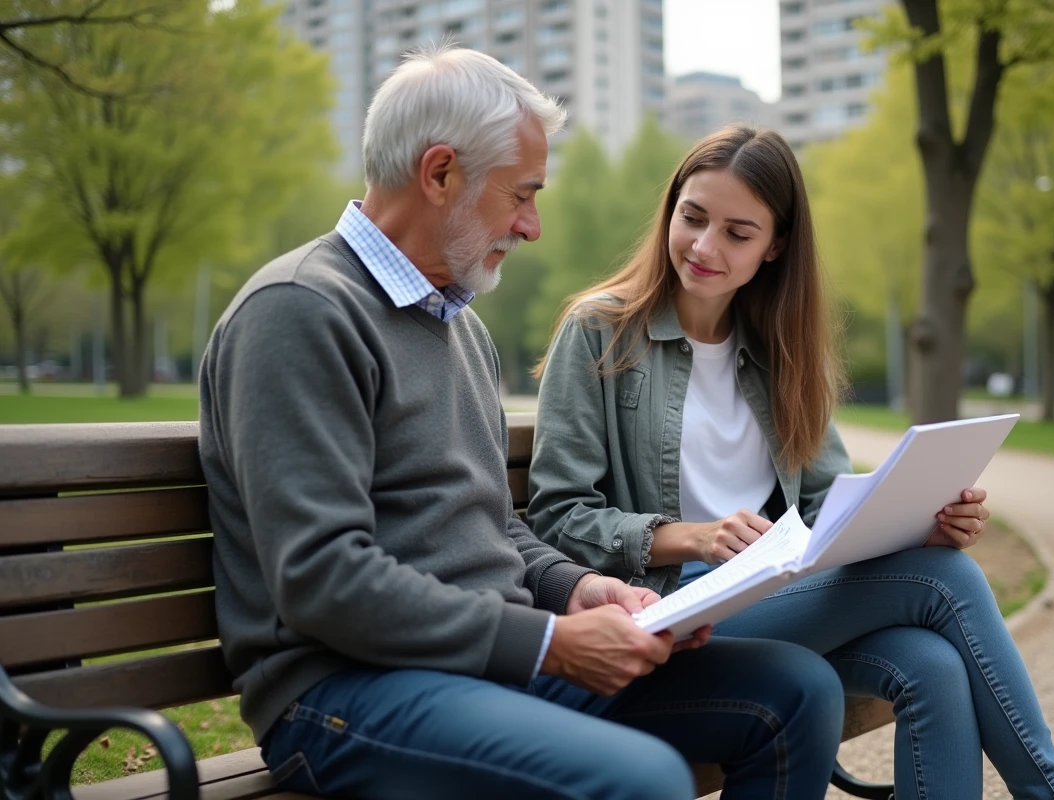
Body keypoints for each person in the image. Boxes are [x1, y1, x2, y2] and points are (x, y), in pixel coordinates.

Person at [198, 50, 848, 800]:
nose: (532, 226)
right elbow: (323, 579)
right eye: (523, 195)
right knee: (645, 781)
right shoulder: (300, 311)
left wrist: (581, 591)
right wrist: (549, 642)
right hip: (343, 693)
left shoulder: (456, 327)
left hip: (485, 666)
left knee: (795, 690)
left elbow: (490, 529)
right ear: (440, 173)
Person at [528, 125, 1054, 800]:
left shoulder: (783, 350)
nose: (704, 247)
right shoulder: (600, 330)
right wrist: (688, 537)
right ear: (670, 209)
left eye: (738, 232)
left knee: (933, 663)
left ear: (775, 245)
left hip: (775, 594)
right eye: (693, 218)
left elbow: (824, 507)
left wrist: (919, 523)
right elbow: (559, 517)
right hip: (673, 605)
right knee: (942, 581)